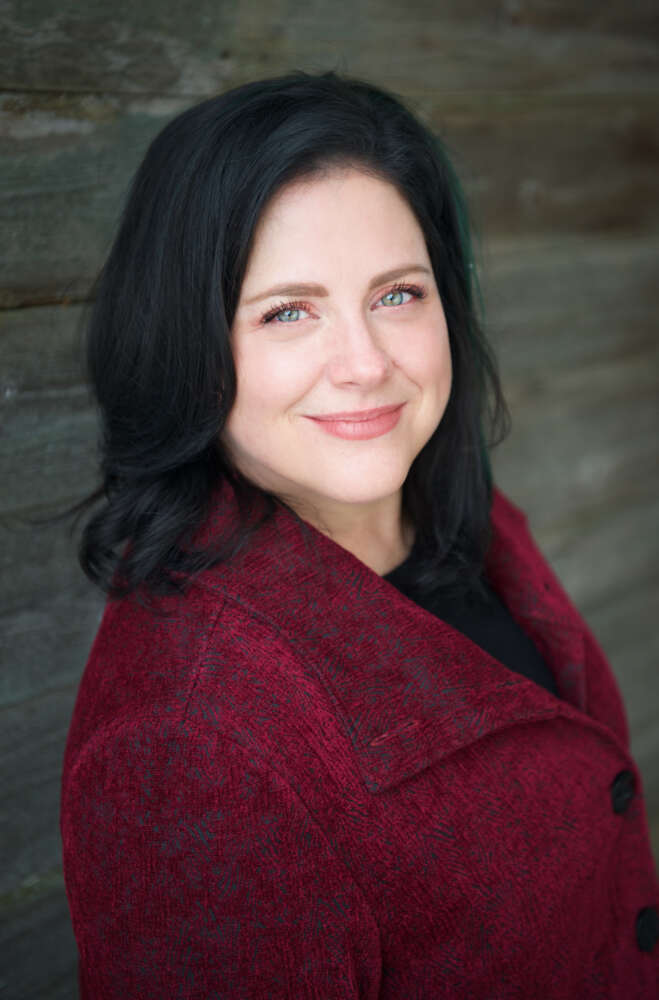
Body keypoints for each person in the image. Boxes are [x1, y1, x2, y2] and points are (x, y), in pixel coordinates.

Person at [60, 69, 659, 998]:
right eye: (287, 311)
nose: (365, 364)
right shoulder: (190, 742)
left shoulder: (461, 517)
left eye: (396, 294)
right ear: (182, 342)